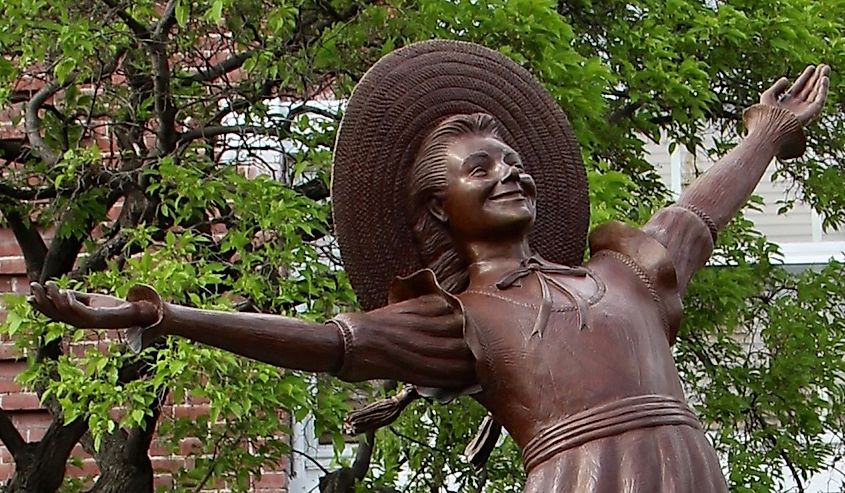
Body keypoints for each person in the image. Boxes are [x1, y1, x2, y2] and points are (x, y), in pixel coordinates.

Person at [29, 40, 829, 492]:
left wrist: (763, 132)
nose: (508, 172)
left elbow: (693, 213)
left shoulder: (623, 274)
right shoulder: (464, 321)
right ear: (437, 208)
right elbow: (327, 341)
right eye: (478, 168)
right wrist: (161, 316)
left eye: (512, 160)